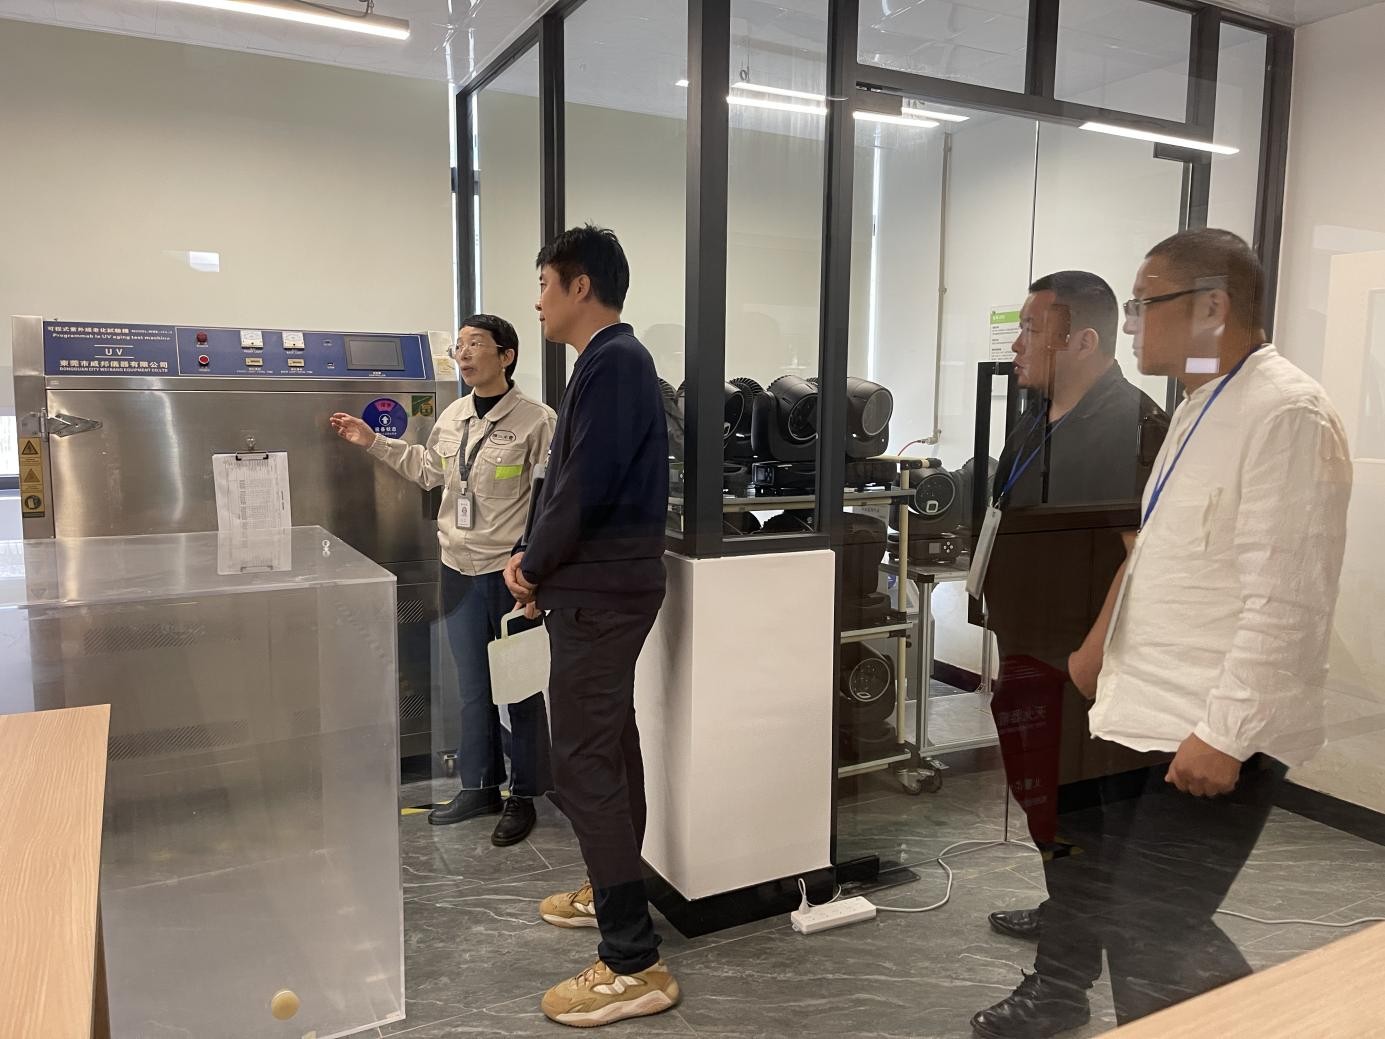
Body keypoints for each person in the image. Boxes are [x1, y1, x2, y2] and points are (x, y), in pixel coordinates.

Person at [1033, 229, 1350, 1033]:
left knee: (1154, 927)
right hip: (1149, 715)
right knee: (1142, 921)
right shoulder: (1198, 404)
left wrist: (1224, 734)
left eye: (1144, 303)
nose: (1129, 323)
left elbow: (1288, 599)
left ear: (1211, 306)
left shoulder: (1285, 413)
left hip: (1210, 733)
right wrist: (1100, 651)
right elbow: (1161, 558)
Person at [971, 272, 1167, 1039]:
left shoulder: (1129, 423)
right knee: (1046, 809)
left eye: (1031, 329)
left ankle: (1059, 987)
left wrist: (1087, 656)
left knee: (1078, 821)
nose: (1016, 343)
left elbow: (1141, 554)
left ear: (1081, 339)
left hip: (1074, 667)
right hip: (1027, 649)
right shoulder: (1040, 414)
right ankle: (1065, 910)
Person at [502, 225, 680, 1028]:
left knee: (581, 762)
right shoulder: (603, 363)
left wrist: (534, 564)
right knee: (608, 749)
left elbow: (585, 487)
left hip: (600, 593)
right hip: (597, 588)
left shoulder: (615, 361)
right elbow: (565, 480)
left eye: (545, 283)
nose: (537, 301)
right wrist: (533, 557)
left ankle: (632, 961)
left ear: (580, 286)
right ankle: (614, 890)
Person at [329, 315, 556, 846]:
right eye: (459, 346)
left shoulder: (538, 420)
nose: (464, 354)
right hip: (456, 570)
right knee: (473, 689)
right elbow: (429, 470)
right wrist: (373, 441)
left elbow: (549, 499)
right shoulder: (453, 415)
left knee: (519, 689)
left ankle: (524, 795)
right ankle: (479, 787)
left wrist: (536, 573)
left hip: (509, 577)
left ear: (507, 356)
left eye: (476, 344)